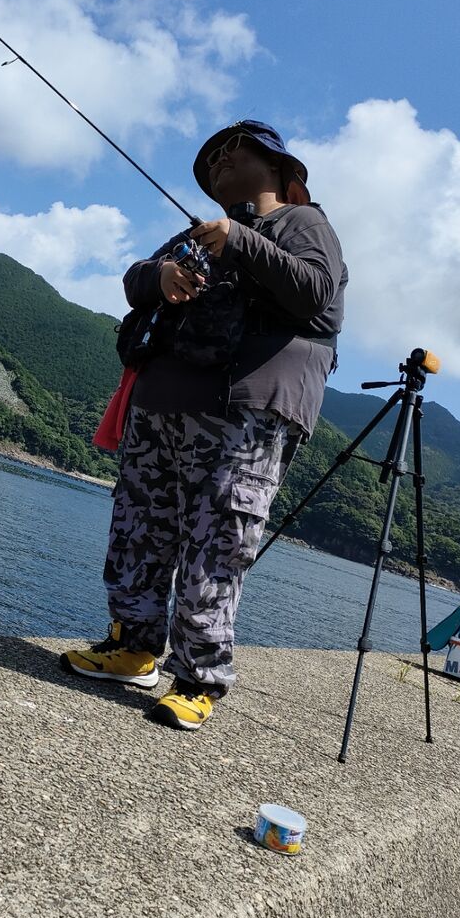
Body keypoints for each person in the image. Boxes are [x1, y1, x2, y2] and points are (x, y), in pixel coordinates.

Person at [62, 120, 348, 730]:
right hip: (161, 402)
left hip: (246, 406)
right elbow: (135, 279)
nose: (219, 160)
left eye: (233, 150)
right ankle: (133, 646)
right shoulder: (195, 234)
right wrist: (160, 277)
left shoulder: (304, 223)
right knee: (139, 526)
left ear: (277, 167)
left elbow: (315, 293)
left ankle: (198, 678)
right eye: (211, 157)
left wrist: (240, 240)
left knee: (218, 538)